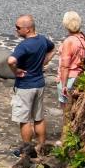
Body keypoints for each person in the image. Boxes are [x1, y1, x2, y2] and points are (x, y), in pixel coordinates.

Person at [10, 14, 55, 157]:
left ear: (28, 29)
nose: (16, 30)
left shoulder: (23, 46)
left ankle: (26, 151)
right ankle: (41, 147)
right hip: (39, 84)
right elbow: (53, 48)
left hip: (25, 86)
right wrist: (45, 62)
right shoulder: (42, 40)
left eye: (18, 28)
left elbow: (11, 60)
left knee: (24, 120)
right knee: (39, 117)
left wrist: (15, 71)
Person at [55, 11, 85, 126]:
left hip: (69, 78)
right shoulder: (84, 39)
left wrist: (63, 85)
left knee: (67, 112)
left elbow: (65, 66)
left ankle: (66, 136)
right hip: (80, 76)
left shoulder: (69, 41)